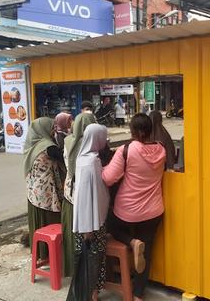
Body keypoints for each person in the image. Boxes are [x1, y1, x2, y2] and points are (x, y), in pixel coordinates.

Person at [102, 113, 166, 301]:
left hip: (128, 211)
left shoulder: (127, 150)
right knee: (147, 251)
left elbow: (108, 177)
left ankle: (131, 242)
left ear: (136, 131)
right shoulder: (161, 149)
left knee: (109, 224)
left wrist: (99, 168)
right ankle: (138, 294)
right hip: (154, 211)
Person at [71, 124, 110, 301]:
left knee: (86, 258)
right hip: (92, 224)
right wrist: (89, 228)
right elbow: (89, 196)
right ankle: (92, 294)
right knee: (94, 258)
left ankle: (88, 292)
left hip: (85, 220)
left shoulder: (82, 157)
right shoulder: (92, 162)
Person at [23, 117, 66, 260]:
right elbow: (65, 158)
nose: (54, 130)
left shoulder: (32, 145)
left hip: (34, 192)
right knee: (51, 224)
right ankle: (50, 253)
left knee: (39, 225)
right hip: (46, 194)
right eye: (51, 127)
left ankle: (41, 251)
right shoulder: (48, 146)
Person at [62, 112, 96, 277]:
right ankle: (91, 277)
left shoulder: (67, 141)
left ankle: (75, 270)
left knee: (74, 237)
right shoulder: (94, 143)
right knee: (92, 240)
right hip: (89, 197)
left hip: (71, 194)